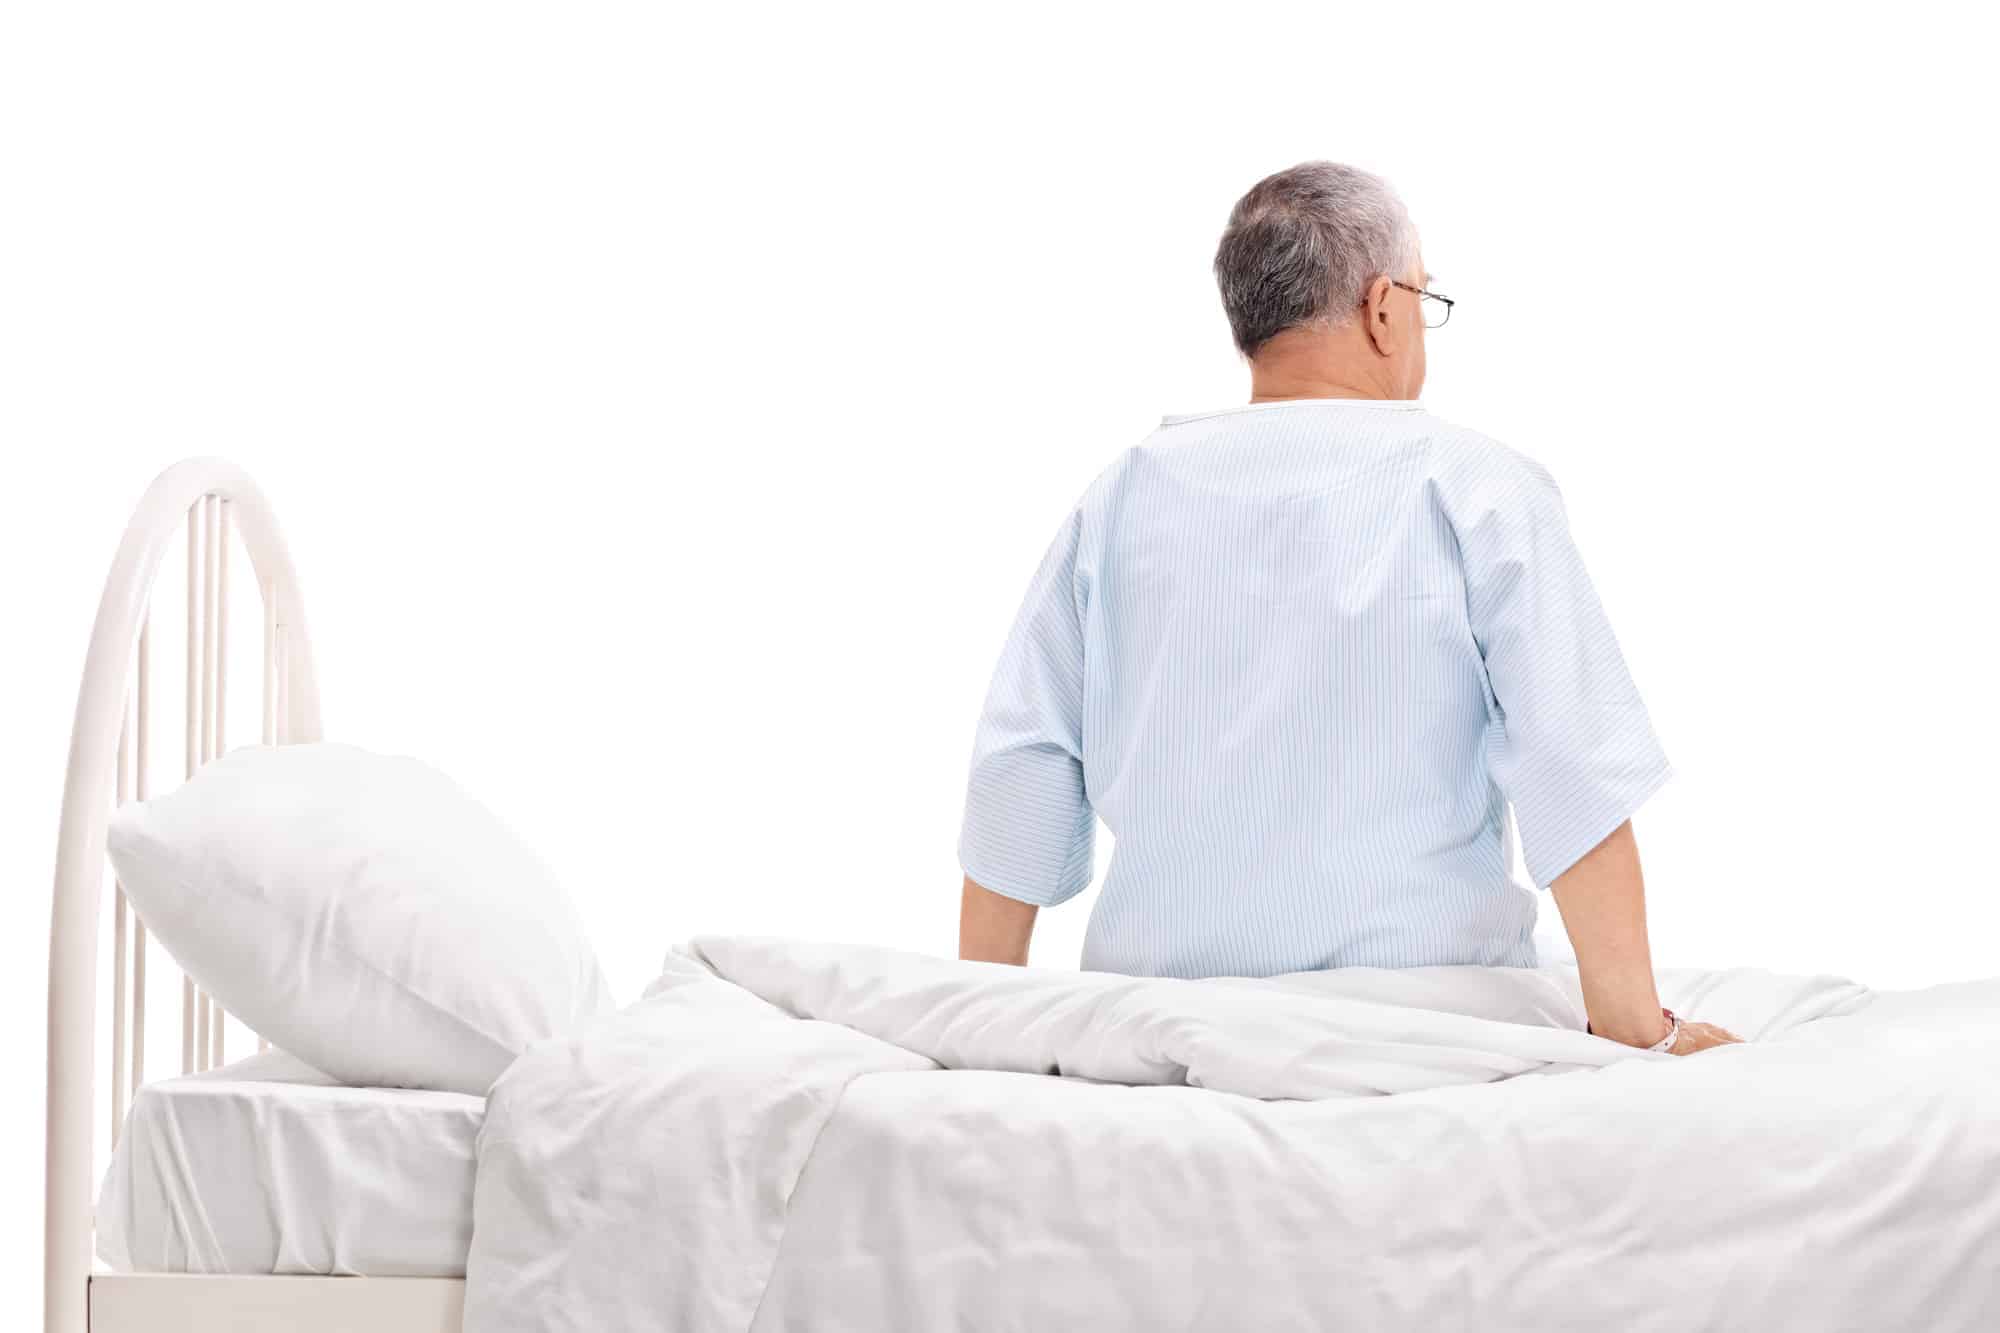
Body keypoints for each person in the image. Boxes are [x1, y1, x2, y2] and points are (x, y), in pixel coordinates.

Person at [954, 160, 1738, 1056]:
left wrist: (984, 1028)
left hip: (1157, 1022)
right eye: (1423, 299)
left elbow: (1023, 761)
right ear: (1381, 307)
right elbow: (1571, 760)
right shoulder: (1476, 486)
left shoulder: (1121, 494)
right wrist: (1641, 1030)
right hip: (1430, 1028)